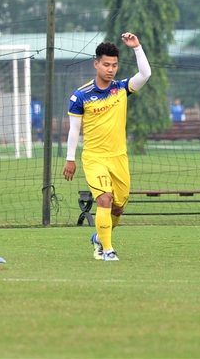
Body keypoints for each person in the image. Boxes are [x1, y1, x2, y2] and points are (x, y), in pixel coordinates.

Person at [62, 32, 151, 261]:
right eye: (106, 64)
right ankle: (107, 251)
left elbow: (145, 74)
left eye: (114, 65)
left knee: (118, 208)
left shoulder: (121, 89)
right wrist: (70, 158)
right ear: (96, 64)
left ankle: (99, 238)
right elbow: (74, 130)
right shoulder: (81, 95)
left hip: (119, 157)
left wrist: (137, 47)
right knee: (104, 199)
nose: (110, 69)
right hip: (94, 158)